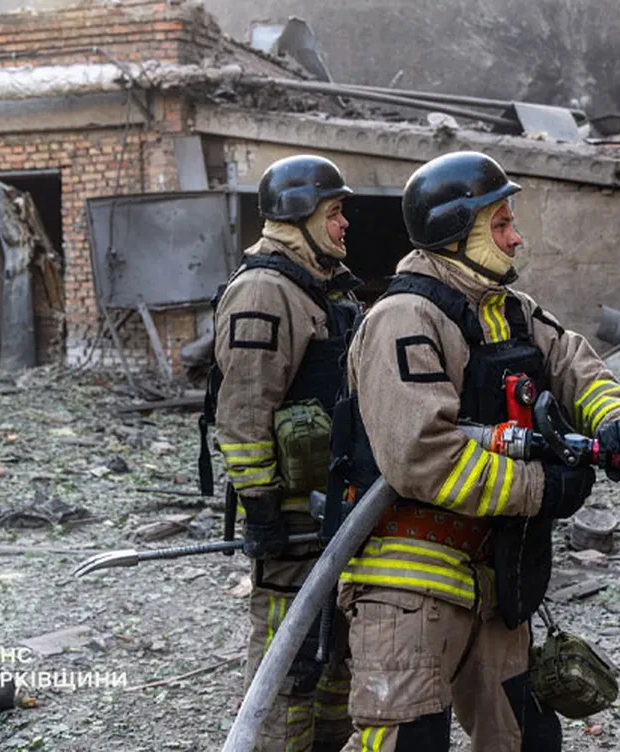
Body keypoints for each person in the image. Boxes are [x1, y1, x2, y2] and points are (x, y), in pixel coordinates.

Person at [335, 151, 620, 751]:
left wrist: (617, 419)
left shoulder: (510, 311)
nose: (518, 239)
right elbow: (423, 458)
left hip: (495, 576)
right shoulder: (405, 319)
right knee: (410, 744)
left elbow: (575, 367)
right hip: (411, 580)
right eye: (502, 225)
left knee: (527, 738)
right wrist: (544, 487)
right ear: (455, 232)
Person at [213, 155, 362, 752]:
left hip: (335, 513)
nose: (346, 224)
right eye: (334, 212)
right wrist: (264, 510)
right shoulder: (264, 292)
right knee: (288, 668)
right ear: (297, 218)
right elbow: (244, 413)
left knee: (334, 664)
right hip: (294, 521)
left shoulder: (318, 288)